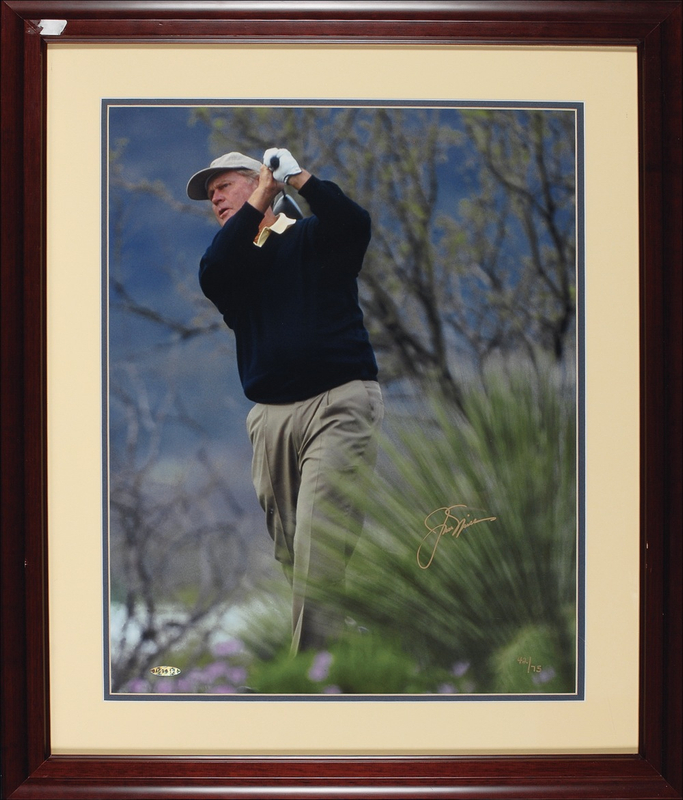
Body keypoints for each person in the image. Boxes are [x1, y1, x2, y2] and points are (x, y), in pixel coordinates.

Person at [186, 148, 383, 654]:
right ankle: (342, 651)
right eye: (211, 197)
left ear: (259, 181)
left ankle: (305, 685)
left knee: (320, 546)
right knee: (296, 553)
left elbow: (352, 222)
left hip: (338, 404)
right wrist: (259, 201)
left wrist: (297, 179)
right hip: (271, 418)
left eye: (224, 186)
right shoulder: (234, 266)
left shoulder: (315, 240)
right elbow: (215, 266)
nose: (216, 199)